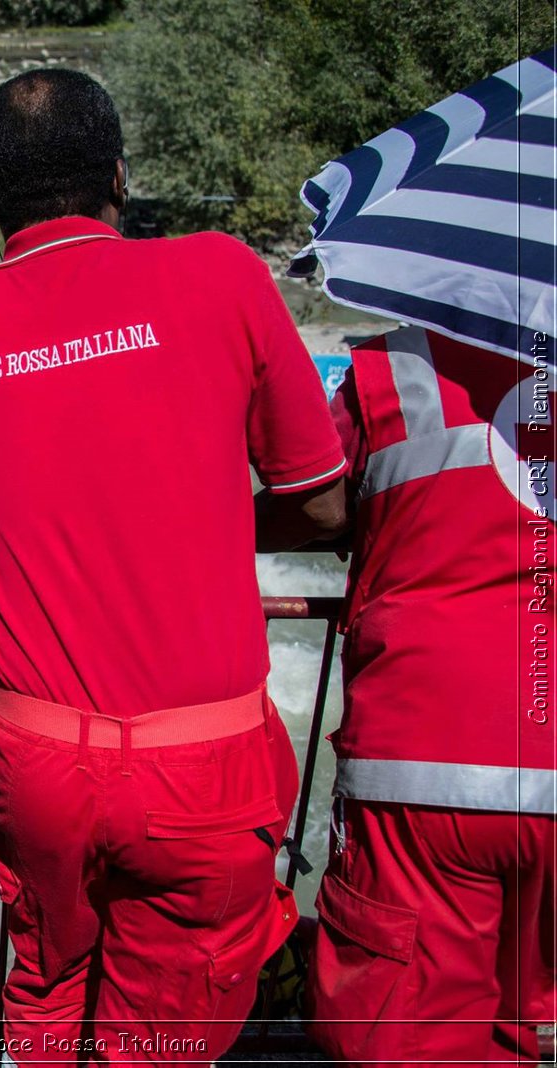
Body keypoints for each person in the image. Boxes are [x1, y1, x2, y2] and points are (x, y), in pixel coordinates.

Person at [0, 70, 348, 1058]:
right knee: (166, 1034)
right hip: (203, 763)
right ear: (117, 174)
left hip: (41, 757)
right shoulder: (222, 274)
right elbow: (318, 497)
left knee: (46, 987)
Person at [260, 327, 554, 1064]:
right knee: (530, 1026)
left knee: (409, 1034)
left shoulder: (395, 368)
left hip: (430, 756)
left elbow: (317, 499)